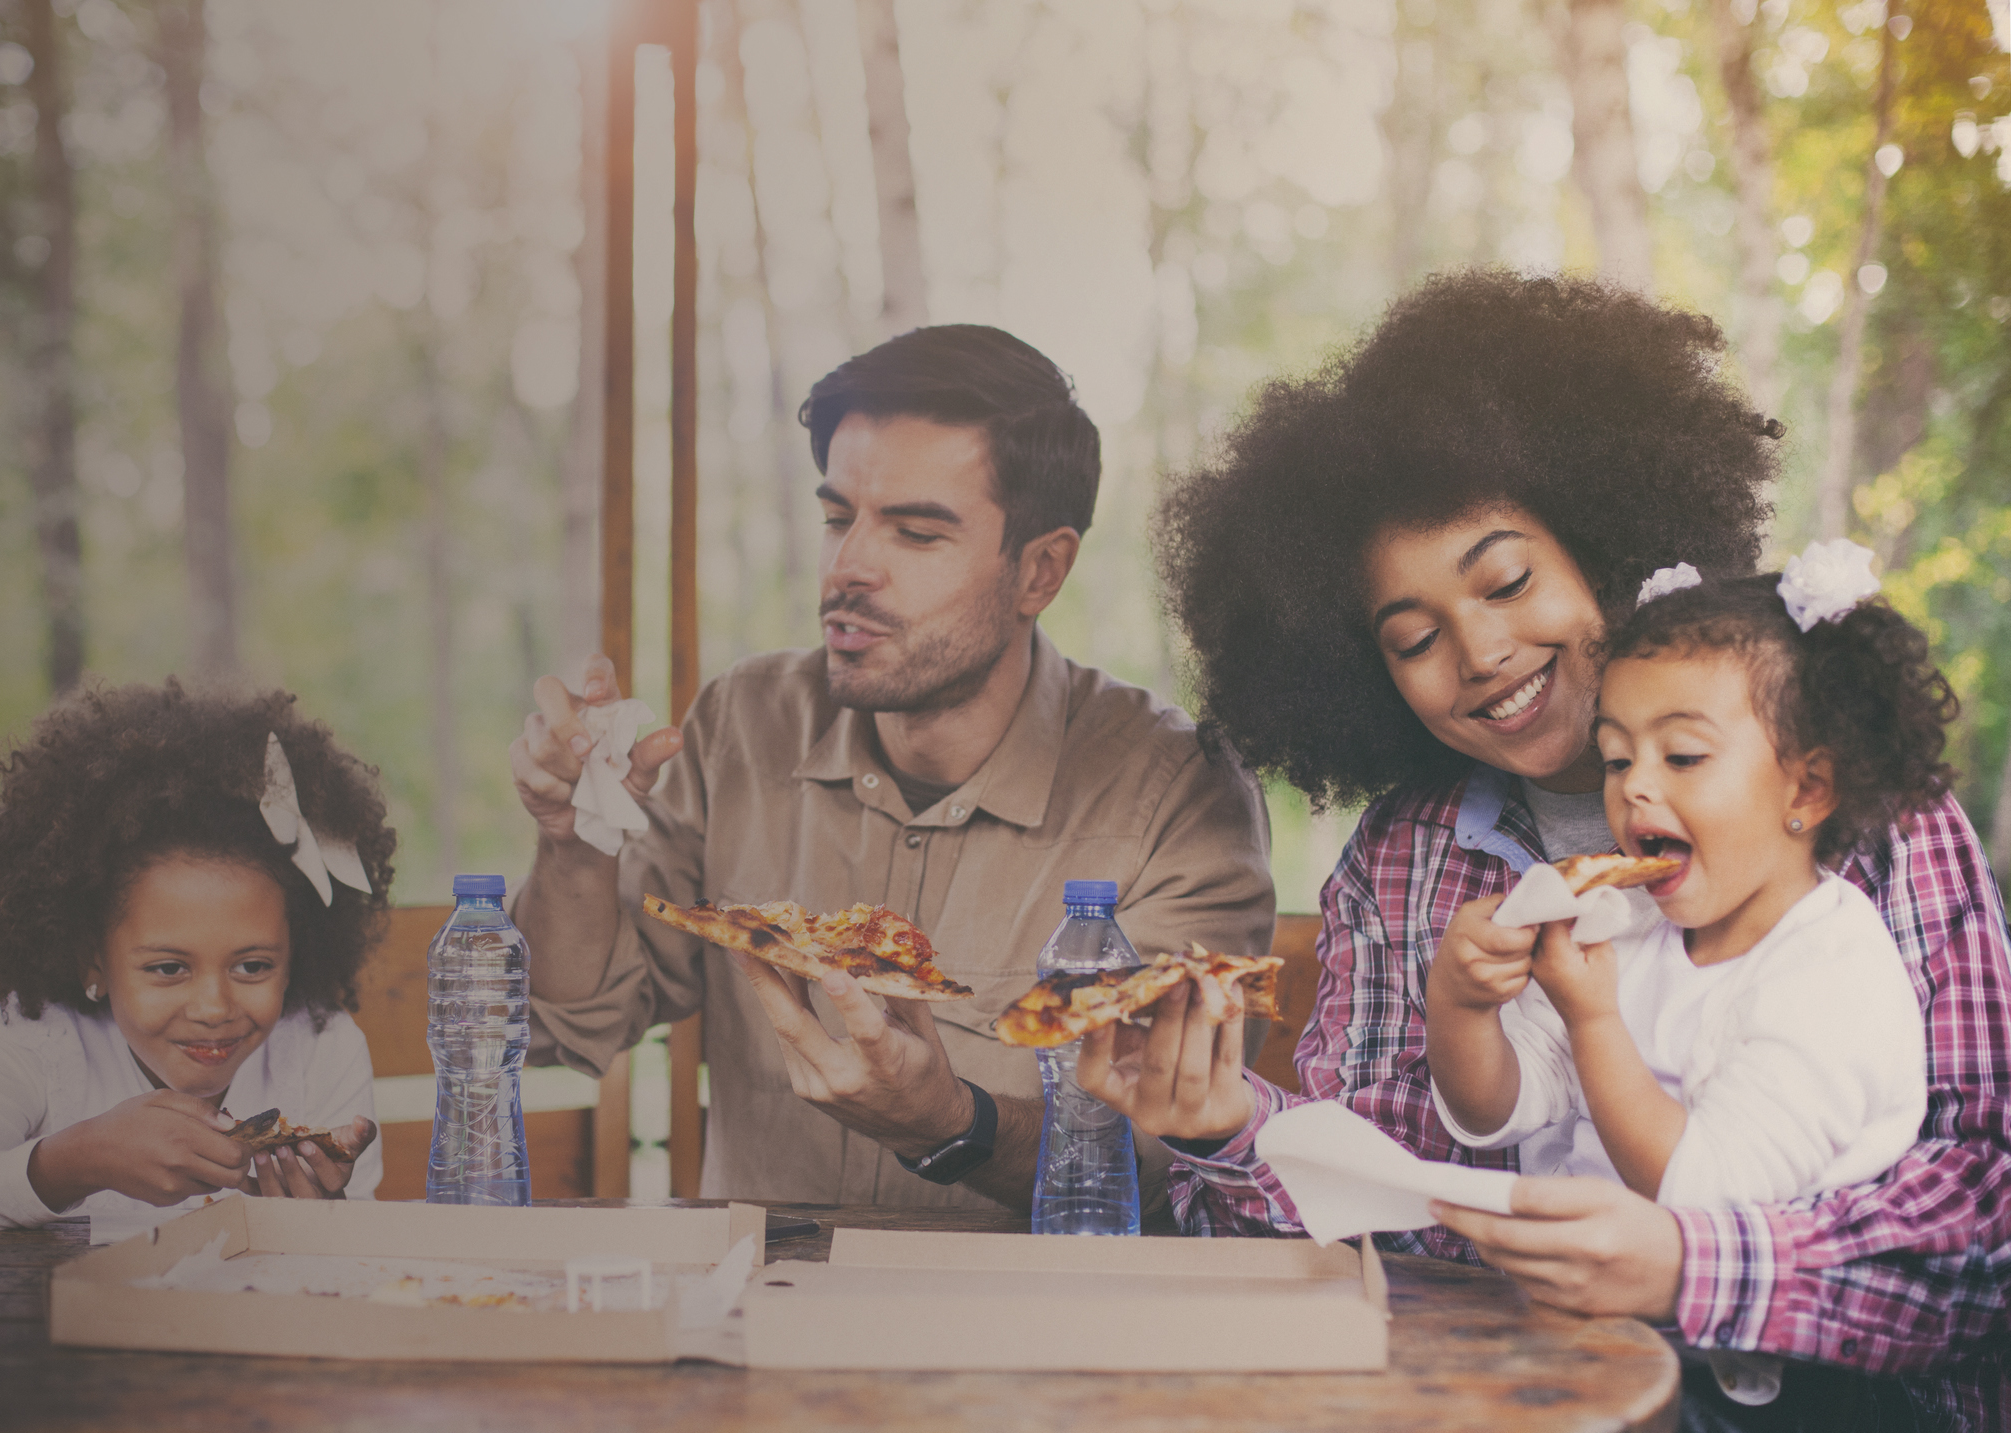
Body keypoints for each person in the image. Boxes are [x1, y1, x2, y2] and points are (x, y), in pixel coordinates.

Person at [1085, 271, 2011, 1426]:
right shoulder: (1403, 859)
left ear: (1602, 536)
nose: (1477, 651)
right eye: (1413, 636)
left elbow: (1987, 1206)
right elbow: (1398, 1185)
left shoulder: (1858, 804)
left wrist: (1691, 1266)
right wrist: (1224, 1121)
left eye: (1508, 579)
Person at [509, 323, 1273, 1212]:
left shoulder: (1179, 790)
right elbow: (572, 1024)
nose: (847, 568)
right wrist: (572, 843)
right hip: (761, 1314)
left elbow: (1170, 1161)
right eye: (838, 518)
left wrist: (951, 1123)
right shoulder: (740, 725)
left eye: (915, 533)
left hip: (1031, 1328)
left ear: (1040, 571)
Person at [1430, 553, 1947, 1406]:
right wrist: (1459, 1001)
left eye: (1683, 754)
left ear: (1808, 788)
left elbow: (1707, 1196)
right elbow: (1496, 1110)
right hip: (1595, 1349)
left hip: (1778, 1394)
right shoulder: (1630, 926)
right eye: (1615, 757)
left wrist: (1594, 1021)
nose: (1636, 786)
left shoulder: (1834, 968)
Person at [0, 683, 394, 1244]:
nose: (214, 1008)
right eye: (169, 969)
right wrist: (73, 1162)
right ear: (91, 958)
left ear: (298, 955)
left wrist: (324, 1216)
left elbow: (353, 1250)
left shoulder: (323, 1048)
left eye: (253, 967)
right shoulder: (40, 1040)